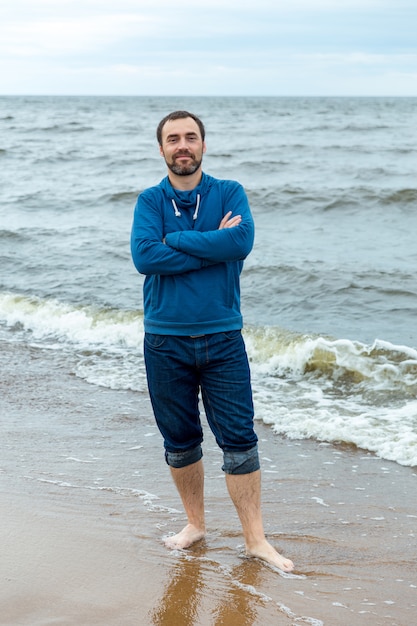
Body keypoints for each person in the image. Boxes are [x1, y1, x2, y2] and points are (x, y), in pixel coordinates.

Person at [130, 110, 294, 573]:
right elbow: (144, 256)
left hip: (223, 338)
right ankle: (195, 525)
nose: (182, 146)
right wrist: (208, 243)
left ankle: (256, 540)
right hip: (165, 340)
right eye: (173, 139)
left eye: (191, 137)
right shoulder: (149, 200)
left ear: (204, 144)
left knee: (239, 441)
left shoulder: (229, 192)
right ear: (161, 148)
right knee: (180, 442)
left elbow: (239, 243)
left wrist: (176, 241)